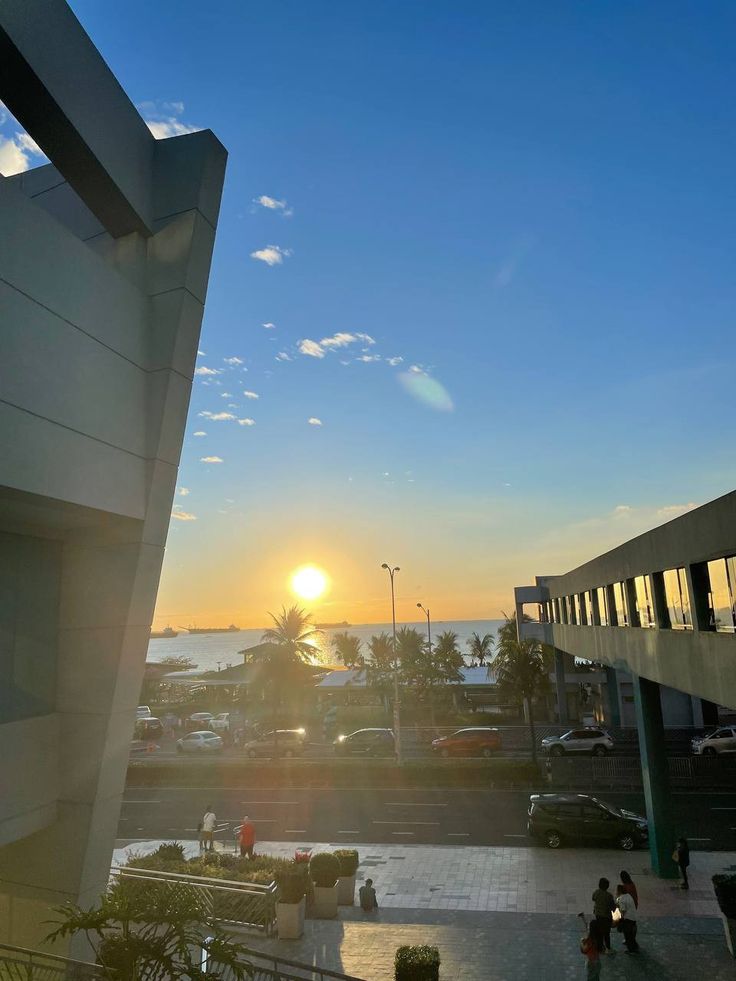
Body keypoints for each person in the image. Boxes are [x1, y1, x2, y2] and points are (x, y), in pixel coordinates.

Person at [592, 877, 616, 954]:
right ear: (607, 886)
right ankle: (608, 948)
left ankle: (600, 947)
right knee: (606, 933)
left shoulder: (596, 892)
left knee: (599, 931)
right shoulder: (609, 896)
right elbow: (613, 907)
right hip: (606, 917)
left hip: (598, 915)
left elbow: (593, 899)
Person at [578, 915, 604, 980]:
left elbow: (583, 951)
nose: (588, 927)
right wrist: (583, 918)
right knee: (596, 978)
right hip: (597, 962)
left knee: (590, 978)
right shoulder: (599, 938)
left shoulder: (590, 941)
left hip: (591, 963)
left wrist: (581, 943)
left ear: (592, 929)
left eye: (589, 927)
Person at [615, 884, 639, 953]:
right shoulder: (628, 895)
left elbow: (623, 911)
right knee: (631, 934)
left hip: (628, 919)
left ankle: (631, 950)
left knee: (628, 935)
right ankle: (635, 946)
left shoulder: (621, 899)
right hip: (633, 918)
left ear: (619, 891)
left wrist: (618, 919)